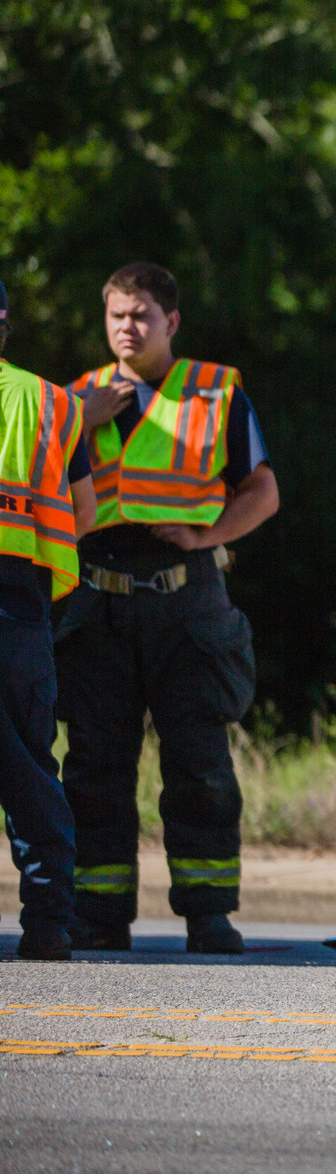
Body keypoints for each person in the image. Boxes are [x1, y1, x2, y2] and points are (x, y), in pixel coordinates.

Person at [58, 263, 279, 956]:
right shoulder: (75, 399)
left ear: (171, 322)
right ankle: (98, 913)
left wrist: (208, 536)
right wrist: (76, 425)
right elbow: (43, 495)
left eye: (143, 314)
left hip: (186, 596)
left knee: (200, 763)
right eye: (118, 314)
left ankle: (208, 912)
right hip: (97, 597)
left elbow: (262, 491)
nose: (129, 327)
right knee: (94, 764)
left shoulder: (215, 391)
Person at [0, 278, 93, 961]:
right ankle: (49, 924)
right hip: (18, 601)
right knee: (30, 767)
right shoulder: (50, 402)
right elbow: (81, 512)